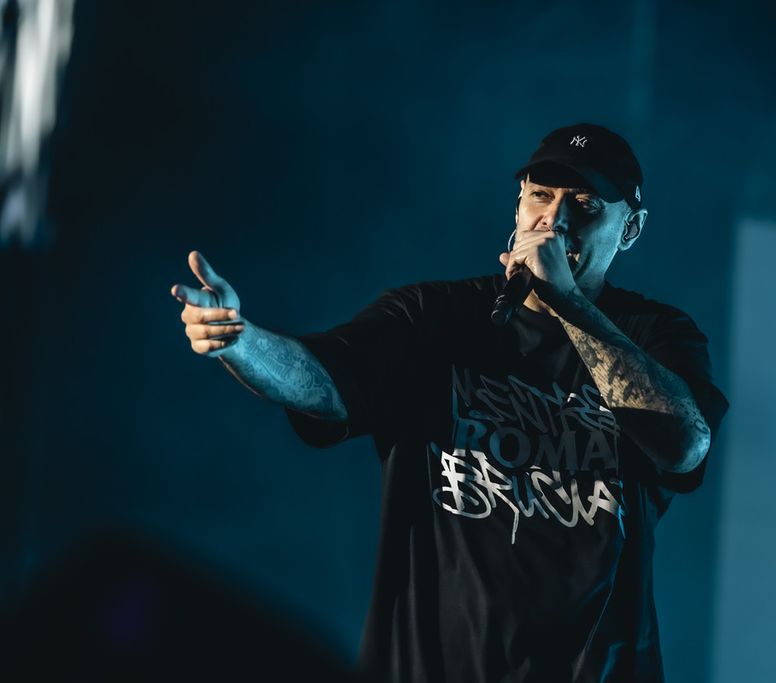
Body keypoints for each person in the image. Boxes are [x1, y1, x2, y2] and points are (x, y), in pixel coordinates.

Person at [170, 123, 730, 683]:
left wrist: (567, 303)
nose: (554, 220)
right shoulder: (434, 317)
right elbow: (323, 383)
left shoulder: (656, 336)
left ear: (629, 229)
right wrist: (242, 341)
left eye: (584, 205)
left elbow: (684, 444)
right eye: (540, 195)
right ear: (518, 205)